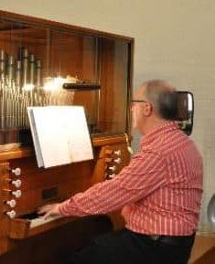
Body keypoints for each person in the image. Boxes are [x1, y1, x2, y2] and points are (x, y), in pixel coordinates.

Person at [38, 80, 203, 264]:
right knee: (94, 245)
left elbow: (113, 193)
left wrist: (63, 207)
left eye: (134, 104)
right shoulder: (183, 142)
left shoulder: (159, 150)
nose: (131, 109)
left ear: (146, 109)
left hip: (156, 247)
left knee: (79, 259)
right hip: (173, 243)